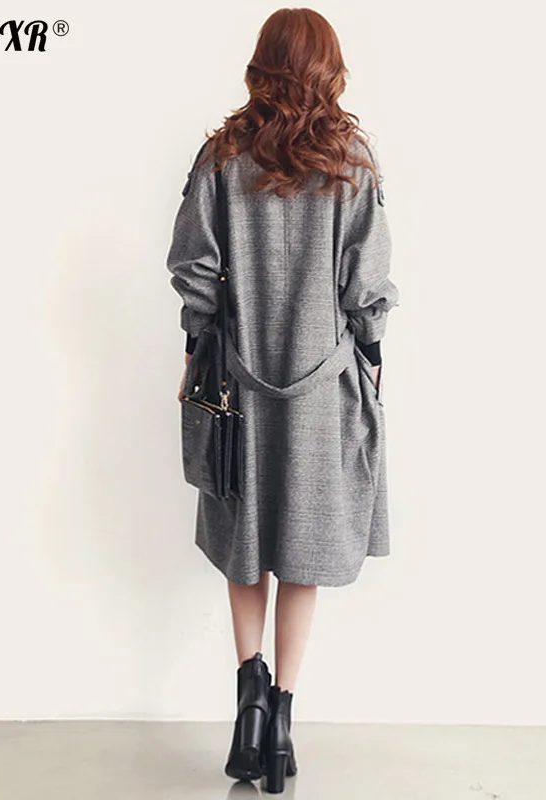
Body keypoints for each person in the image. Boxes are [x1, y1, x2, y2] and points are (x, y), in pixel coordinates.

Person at [165, 7, 400, 794]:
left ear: (261, 64)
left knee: (245, 537)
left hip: (236, 381)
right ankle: (284, 720)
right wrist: (371, 352)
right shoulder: (352, 162)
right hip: (322, 384)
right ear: (329, 69)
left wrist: (200, 342)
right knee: (304, 543)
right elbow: (367, 283)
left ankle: (250, 698)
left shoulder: (222, 156)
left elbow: (194, 268)